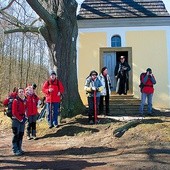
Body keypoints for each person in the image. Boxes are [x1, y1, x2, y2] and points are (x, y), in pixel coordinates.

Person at [11, 88, 27, 156]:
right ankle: (15, 149)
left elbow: (25, 110)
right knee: (16, 135)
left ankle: (19, 148)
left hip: (22, 120)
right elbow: (14, 112)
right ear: (17, 93)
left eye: (22, 92)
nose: (21, 93)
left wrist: (25, 117)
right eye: (20, 92)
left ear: (24, 93)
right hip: (16, 120)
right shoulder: (15, 101)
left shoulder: (24, 101)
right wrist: (20, 119)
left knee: (21, 134)